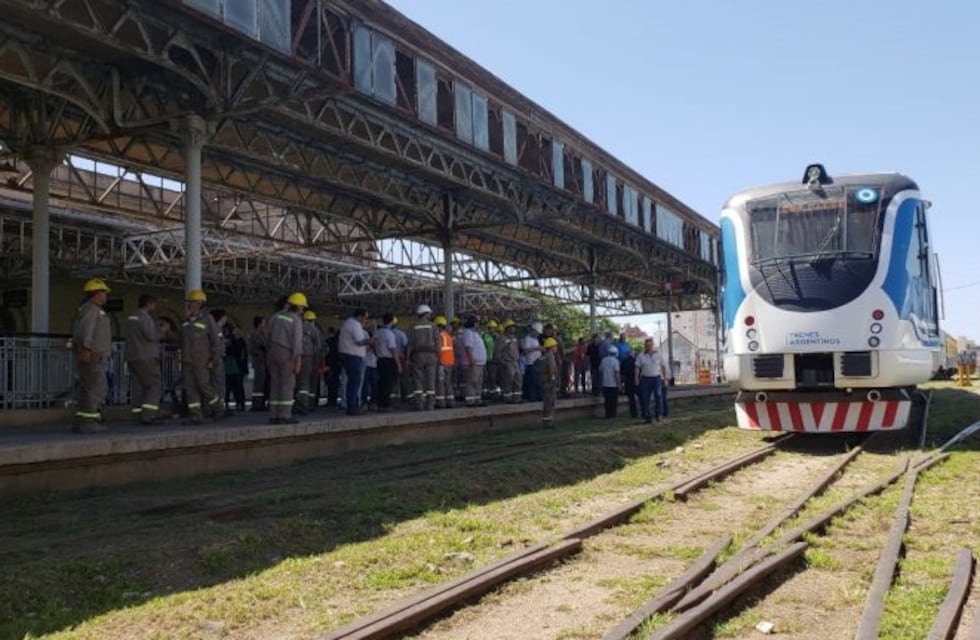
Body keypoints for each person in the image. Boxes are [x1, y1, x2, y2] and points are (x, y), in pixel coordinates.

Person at [71, 278, 112, 433]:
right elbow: (85, 331)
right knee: (96, 388)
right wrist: (86, 349)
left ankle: (82, 420)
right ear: (97, 294)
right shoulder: (92, 310)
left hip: (95, 355)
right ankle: (88, 422)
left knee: (88, 387)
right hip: (93, 355)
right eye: (104, 292)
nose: (106, 296)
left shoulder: (91, 309)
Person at [181, 289, 224, 425]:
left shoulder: (207, 319)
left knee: (204, 386)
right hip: (188, 360)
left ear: (200, 303)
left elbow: (215, 341)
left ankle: (218, 409)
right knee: (190, 389)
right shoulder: (186, 322)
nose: (189, 305)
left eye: (192, 302)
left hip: (202, 361)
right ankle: (195, 416)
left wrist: (214, 359)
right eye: (189, 303)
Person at [266, 292, 306, 424]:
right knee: (287, 385)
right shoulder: (296, 320)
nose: (303, 310)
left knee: (275, 384)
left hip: (272, 352)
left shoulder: (275, 317)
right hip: (286, 353)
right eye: (302, 307)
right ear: (298, 307)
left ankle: (274, 415)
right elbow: (297, 342)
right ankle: (285, 415)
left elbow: (267, 335)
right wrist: (297, 360)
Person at [124, 293, 164, 425]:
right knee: (155, 384)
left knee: (138, 386)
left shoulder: (130, 317)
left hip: (131, 355)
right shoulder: (145, 317)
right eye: (154, 304)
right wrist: (162, 330)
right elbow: (151, 336)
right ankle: (149, 415)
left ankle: (136, 414)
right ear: (149, 304)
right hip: (146, 356)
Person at [338, 308, 372, 415]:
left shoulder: (348, 323)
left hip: (347, 355)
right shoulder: (355, 324)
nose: (366, 320)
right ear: (360, 316)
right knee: (354, 382)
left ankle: (351, 405)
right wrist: (372, 340)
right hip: (353, 357)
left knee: (351, 382)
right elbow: (359, 341)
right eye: (365, 318)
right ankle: (353, 406)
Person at [407, 304, 439, 411]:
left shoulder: (413, 326)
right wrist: (439, 356)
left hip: (417, 355)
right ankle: (430, 405)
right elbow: (438, 343)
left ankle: (419, 404)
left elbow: (410, 344)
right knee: (431, 379)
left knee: (418, 379)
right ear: (427, 314)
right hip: (431, 355)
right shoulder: (433, 326)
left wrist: (407, 358)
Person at [635, 338, 670, 423]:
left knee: (658, 396)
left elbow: (663, 367)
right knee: (645, 398)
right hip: (645, 379)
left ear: (653, 345)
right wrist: (636, 379)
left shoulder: (658, 355)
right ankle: (647, 417)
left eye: (650, 345)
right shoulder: (641, 356)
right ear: (645, 346)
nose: (649, 347)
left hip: (656, 378)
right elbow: (637, 368)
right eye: (647, 345)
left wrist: (665, 379)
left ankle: (658, 415)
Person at [297, 310, 323, 413]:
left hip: (305, 358)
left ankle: (303, 404)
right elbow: (319, 345)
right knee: (311, 383)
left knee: (303, 382)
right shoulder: (315, 330)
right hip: (312, 358)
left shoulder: (302, 327)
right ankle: (310, 404)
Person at [374, 313, 401, 412]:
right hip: (388, 360)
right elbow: (393, 349)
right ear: (392, 321)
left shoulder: (378, 332)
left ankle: (380, 404)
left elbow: (373, 344)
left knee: (381, 383)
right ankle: (386, 404)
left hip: (380, 360)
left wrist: (376, 353)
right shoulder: (389, 333)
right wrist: (398, 363)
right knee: (388, 383)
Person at [461, 316, 487, 407]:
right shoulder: (468, 332)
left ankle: (477, 399)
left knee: (478, 382)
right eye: (477, 322)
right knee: (472, 381)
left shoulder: (476, 333)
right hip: (473, 362)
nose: (478, 324)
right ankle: (470, 400)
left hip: (480, 363)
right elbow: (468, 347)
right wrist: (471, 359)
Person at [495, 319, 522, 404]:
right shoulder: (502, 338)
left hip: (515, 362)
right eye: (511, 327)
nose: (513, 329)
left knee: (518, 380)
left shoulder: (514, 338)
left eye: (514, 327)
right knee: (508, 381)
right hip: (508, 362)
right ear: (507, 328)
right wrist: (502, 362)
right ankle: (507, 398)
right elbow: (497, 352)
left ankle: (517, 398)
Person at [224, 325, 248, 411]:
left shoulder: (237, 342)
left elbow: (241, 356)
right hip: (237, 367)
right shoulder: (240, 342)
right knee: (237, 386)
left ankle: (238, 403)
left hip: (235, 367)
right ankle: (240, 403)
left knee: (232, 386)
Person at [434, 315, 455, 409]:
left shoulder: (438, 337)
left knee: (440, 382)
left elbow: (438, 350)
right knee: (448, 382)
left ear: (438, 326)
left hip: (441, 362)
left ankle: (441, 402)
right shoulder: (448, 336)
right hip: (449, 362)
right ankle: (451, 401)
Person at [537, 337, 559, 427]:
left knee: (547, 402)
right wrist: (553, 380)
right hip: (549, 382)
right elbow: (551, 370)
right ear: (551, 347)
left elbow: (536, 366)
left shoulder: (542, 357)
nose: (556, 348)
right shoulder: (550, 357)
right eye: (555, 346)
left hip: (543, 381)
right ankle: (548, 422)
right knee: (550, 402)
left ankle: (546, 420)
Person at [248, 316, 268, 411]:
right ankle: (257, 404)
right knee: (259, 384)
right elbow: (262, 346)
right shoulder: (256, 335)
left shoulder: (263, 334)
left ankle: (262, 402)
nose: (265, 325)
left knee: (263, 383)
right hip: (259, 362)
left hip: (264, 362)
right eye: (263, 323)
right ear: (259, 324)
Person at [521, 322, 543, 401]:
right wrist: (537, 348)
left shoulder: (536, 339)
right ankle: (531, 397)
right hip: (530, 363)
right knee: (532, 381)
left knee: (537, 381)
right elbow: (525, 351)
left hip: (537, 363)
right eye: (537, 332)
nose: (538, 334)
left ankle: (537, 395)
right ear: (533, 330)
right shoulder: (527, 339)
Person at [599, 346, 621, 418]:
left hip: (605, 384)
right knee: (613, 401)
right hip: (613, 384)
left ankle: (607, 414)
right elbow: (617, 373)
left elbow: (600, 371)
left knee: (607, 401)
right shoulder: (616, 361)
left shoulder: (603, 360)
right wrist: (619, 384)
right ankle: (613, 414)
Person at [621, 346, 638, 418]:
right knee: (641, 396)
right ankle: (643, 410)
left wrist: (622, 383)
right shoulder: (636, 361)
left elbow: (621, 373)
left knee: (631, 398)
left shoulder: (623, 362)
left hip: (628, 381)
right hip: (635, 380)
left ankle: (633, 413)